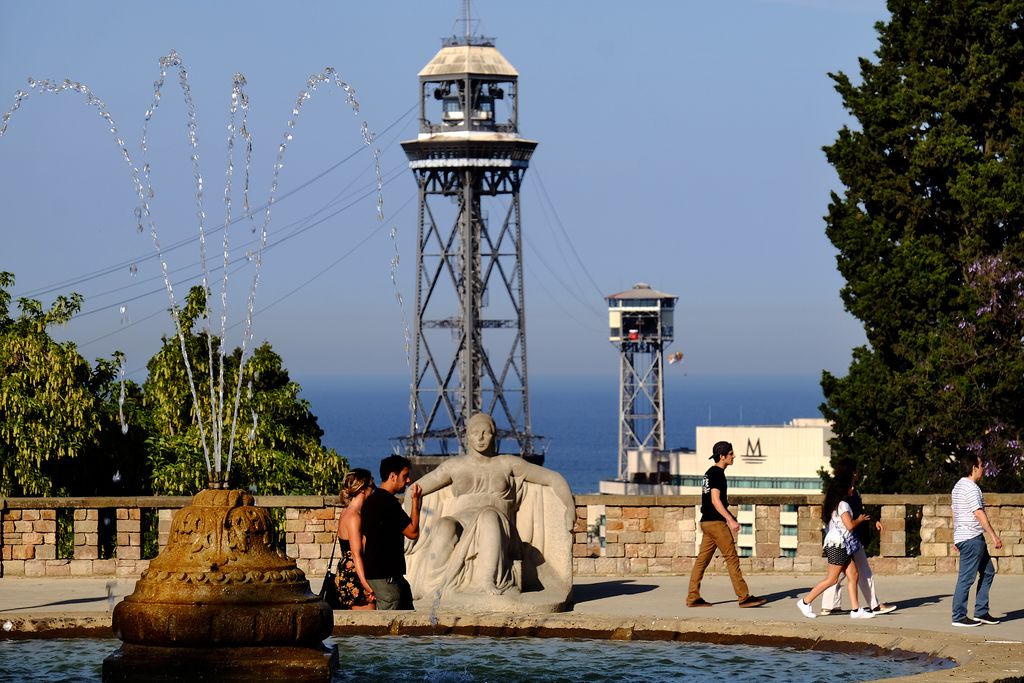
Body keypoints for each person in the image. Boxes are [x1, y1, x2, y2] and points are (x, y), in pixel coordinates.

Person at [406, 412, 575, 600]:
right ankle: (430, 587)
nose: (480, 437)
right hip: (462, 520)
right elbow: (414, 489)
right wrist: (408, 522)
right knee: (444, 525)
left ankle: (486, 580)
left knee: (488, 516)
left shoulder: (507, 463)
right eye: (475, 432)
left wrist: (570, 508)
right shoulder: (454, 466)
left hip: (499, 525)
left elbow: (553, 478)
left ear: (494, 435)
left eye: (486, 432)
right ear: (467, 436)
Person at [687, 441, 767, 608]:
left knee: (702, 561)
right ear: (722, 456)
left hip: (706, 522)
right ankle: (744, 597)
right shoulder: (716, 474)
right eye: (731, 454)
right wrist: (730, 520)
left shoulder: (709, 473)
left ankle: (693, 597)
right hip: (716, 523)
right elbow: (715, 500)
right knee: (731, 558)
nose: (734, 456)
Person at [819, 457, 897, 616]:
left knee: (839, 572)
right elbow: (854, 512)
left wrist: (873, 520)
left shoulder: (836, 489)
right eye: (856, 470)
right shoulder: (848, 491)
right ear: (852, 472)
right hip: (849, 538)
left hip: (837, 538)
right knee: (862, 571)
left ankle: (828, 605)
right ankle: (874, 605)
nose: (858, 473)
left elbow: (854, 510)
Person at [796, 469, 874, 619]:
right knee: (832, 579)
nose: (853, 488)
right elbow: (849, 525)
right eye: (851, 486)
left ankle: (856, 610)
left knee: (853, 574)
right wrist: (860, 519)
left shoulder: (836, 504)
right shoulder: (843, 505)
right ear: (844, 489)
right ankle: (805, 602)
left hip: (841, 545)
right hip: (838, 545)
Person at [361, 455, 421, 610]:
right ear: (393, 476)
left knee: (406, 607)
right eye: (405, 476)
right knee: (389, 621)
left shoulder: (370, 502)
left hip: (378, 573)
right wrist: (416, 502)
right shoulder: (389, 503)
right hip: (385, 575)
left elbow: (364, 539)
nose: (408, 481)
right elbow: (412, 532)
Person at [950, 452, 1003, 627]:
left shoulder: (958, 486)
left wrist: (956, 536)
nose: (983, 470)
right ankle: (958, 616)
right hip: (972, 538)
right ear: (974, 468)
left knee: (988, 572)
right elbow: (978, 513)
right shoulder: (971, 488)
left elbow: (954, 512)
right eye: (981, 466)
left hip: (966, 537)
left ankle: (981, 612)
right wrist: (994, 536)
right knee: (966, 578)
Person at [333, 468, 376, 610]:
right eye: (372, 486)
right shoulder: (354, 517)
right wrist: (367, 586)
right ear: (363, 489)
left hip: (348, 571)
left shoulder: (347, 512)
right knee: (367, 626)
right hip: (355, 575)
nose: (373, 490)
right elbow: (356, 554)